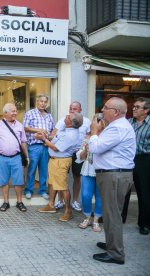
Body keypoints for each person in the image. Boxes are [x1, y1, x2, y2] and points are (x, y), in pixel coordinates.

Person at [89, 97, 135, 265]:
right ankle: (111, 245)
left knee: (112, 215)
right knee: (110, 214)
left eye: (105, 108)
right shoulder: (117, 126)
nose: (102, 110)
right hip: (113, 175)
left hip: (114, 176)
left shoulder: (117, 128)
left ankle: (116, 254)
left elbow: (96, 147)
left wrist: (94, 132)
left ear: (115, 112)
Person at [38, 113, 83, 222]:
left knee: (63, 187)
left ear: (71, 123)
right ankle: (51, 205)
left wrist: (44, 139)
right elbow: (55, 139)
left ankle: (68, 211)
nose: (66, 116)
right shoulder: (66, 129)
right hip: (55, 160)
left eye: (68, 117)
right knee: (53, 183)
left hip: (61, 161)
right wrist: (47, 137)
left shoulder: (71, 135)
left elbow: (55, 148)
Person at [0, 103, 29, 212]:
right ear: (5, 113)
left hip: (16, 157)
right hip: (1, 157)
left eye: (15, 111)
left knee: (18, 181)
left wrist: (26, 156)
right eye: (12, 111)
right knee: (4, 180)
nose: (15, 113)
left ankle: (19, 202)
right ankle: (6, 202)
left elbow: (23, 142)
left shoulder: (19, 125)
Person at [53, 102, 91, 211]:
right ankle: (60, 200)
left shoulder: (87, 121)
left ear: (80, 110)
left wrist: (85, 143)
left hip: (78, 153)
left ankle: (75, 201)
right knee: (62, 177)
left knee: (77, 177)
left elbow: (89, 134)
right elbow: (55, 132)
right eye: (70, 108)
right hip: (64, 152)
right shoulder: (63, 120)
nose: (72, 110)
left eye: (75, 109)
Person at [23, 94, 55, 200]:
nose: (43, 103)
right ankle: (28, 190)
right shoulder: (30, 113)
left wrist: (48, 137)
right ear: (37, 102)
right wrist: (39, 130)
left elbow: (53, 131)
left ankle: (42, 190)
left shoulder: (49, 116)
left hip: (46, 146)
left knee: (44, 170)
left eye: (45, 102)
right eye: (41, 101)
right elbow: (25, 127)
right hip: (34, 146)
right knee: (31, 170)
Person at [128, 97, 150, 235]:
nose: (134, 108)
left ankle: (144, 223)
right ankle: (120, 217)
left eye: (137, 107)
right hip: (127, 158)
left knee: (144, 193)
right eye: (134, 106)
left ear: (146, 110)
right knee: (122, 190)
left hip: (144, 160)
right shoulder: (128, 122)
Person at [75, 132, 102, 232]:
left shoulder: (107, 136)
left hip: (102, 170)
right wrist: (86, 150)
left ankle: (96, 220)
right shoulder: (87, 139)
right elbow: (80, 157)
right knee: (85, 195)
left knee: (100, 196)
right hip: (88, 169)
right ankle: (87, 218)